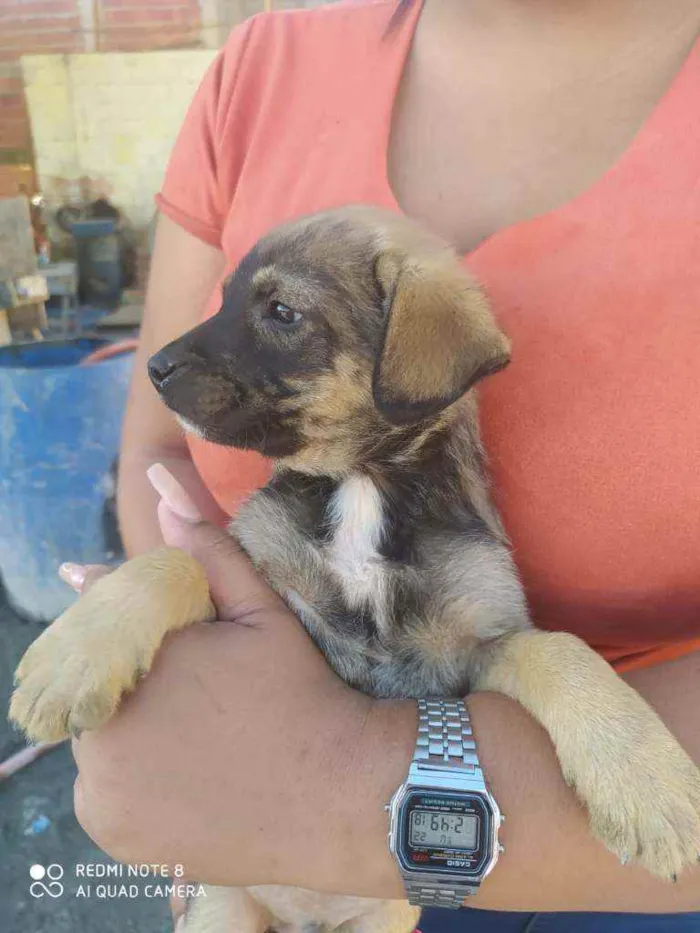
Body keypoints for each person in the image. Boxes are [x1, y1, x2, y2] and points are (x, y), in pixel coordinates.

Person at [66, 1, 700, 930]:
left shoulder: (432, 347)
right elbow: (161, 444)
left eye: (282, 318)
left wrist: (325, 788)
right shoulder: (264, 66)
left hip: (629, 851)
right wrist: (180, 675)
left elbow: (468, 681)